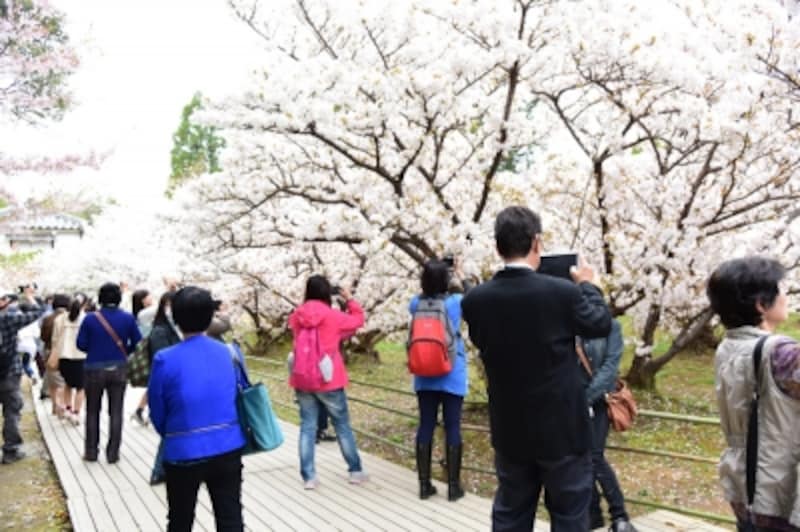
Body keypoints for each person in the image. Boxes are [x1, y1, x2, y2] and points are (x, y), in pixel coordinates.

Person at [461, 206, 612, 531]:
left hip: (510, 427)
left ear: (497, 246)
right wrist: (589, 286)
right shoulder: (563, 293)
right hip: (563, 429)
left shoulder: (474, 300)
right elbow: (599, 324)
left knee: (511, 513)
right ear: (537, 242)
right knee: (570, 513)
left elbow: (483, 341)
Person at [707, 256, 800, 531]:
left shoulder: (727, 347)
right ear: (761, 304)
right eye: (781, 289)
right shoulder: (782, 354)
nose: (786, 295)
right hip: (779, 488)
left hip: (742, 484)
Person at [148, 286, 246, 532]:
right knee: (231, 519)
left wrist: (171, 434)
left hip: (183, 448)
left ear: (176, 319)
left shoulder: (165, 359)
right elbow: (239, 394)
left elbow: (157, 410)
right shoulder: (230, 353)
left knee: (180, 520)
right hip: (227, 444)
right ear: (210, 316)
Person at [288, 275, 368, 489]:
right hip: (329, 379)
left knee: (307, 427)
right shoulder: (333, 316)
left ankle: (309, 477)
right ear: (327, 293)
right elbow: (358, 320)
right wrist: (349, 299)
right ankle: (355, 471)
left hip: (303, 378)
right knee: (342, 425)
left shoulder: (297, 316)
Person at [410, 258, 472, 502]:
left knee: (426, 425)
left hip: (424, 373)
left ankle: (424, 485)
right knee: (452, 426)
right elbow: (475, 297)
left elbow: (421, 301)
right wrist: (461, 275)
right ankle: (453, 488)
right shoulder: (456, 302)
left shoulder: (415, 303)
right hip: (451, 371)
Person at [577, 320, 637, 531]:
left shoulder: (610, 327)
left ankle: (619, 515)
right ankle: (593, 515)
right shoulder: (567, 322)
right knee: (579, 459)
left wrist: (586, 398)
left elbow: (610, 367)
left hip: (598, 401)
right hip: (569, 403)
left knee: (594, 457)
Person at [77, 283, 141, 463]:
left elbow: (80, 344)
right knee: (116, 411)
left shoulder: (90, 319)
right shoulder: (128, 318)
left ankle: (91, 452)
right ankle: (113, 453)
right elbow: (138, 341)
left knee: (92, 411)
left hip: (94, 368)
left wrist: (95, 348)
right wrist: (123, 351)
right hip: (119, 368)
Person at [0, 290, 45, 464]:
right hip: (9, 372)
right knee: (12, 411)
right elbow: (37, 312)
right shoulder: (7, 320)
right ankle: (11, 450)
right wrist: (30, 296)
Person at [133, 291, 179, 427]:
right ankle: (143, 412)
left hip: (163, 366)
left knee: (154, 388)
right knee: (157, 389)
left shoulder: (170, 327)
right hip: (162, 365)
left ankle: (140, 411)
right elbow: (162, 354)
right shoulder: (158, 328)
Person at [52, 296, 88, 426]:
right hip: (81, 356)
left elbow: (55, 339)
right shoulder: (86, 318)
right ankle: (76, 413)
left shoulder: (59, 319)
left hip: (64, 356)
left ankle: (67, 409)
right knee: (81, 387)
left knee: (68, 383)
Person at [39, 294, 70, 417]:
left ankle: (54, 405)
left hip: (49, 351)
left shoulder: (48, 318)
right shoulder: (69, 318)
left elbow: (42, 336)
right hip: (65, 351)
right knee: (63, 382)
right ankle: (60, 406)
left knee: (52, 381)